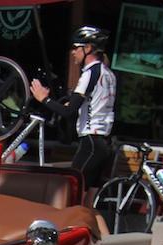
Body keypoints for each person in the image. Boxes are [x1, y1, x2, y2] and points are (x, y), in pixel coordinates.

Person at [30, 26, 117, 208]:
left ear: (88, 49)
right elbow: (90, 103)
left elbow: (68, 113)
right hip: (104, 144)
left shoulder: (89, 73)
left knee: (70, 198)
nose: (72, 52)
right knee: (87, 205)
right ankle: (104, 238)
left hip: (91, 143)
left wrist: (43, 99)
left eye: (76, 47)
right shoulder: (108, 74)